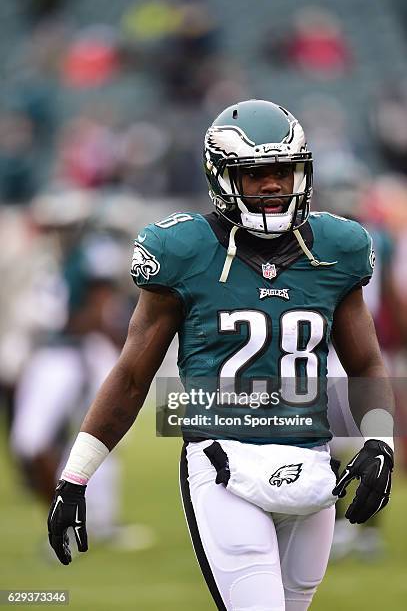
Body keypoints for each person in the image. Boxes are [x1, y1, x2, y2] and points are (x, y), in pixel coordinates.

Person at [47, 99, 395, 611]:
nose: (274, 186)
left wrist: (379, 440)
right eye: (257, 175)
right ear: (222, 177)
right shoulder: (183, 250)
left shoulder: (337, 248)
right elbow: (131, 376)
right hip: (222, 460)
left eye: (284, 171)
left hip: (310, 460)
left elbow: (365, 362)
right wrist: (76, 476)